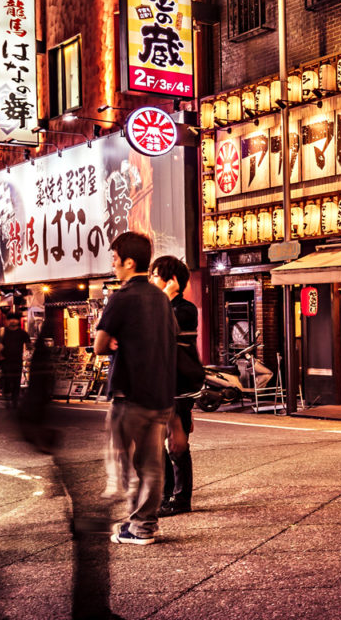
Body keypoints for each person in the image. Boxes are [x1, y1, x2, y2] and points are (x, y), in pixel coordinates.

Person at [94, 232, 178, 545]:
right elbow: (170, 338)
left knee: (123, 460)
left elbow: (100, 345)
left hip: (129, 395)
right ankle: (144, 526)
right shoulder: (161, 298)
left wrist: (113, 340)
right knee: (152, 464)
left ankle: (130, 512)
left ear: (129, 262)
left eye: (115, 259)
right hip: (159, 395)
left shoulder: (121, 297)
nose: (113, 265)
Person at [150, 255, 204, 516]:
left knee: (177, 444)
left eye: (156, 275)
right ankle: (164, 495)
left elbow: (163, 330)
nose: (152, 280)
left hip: (179, 385)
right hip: (158, 384)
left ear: (172, 281)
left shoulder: (185, 309)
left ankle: (181, 499)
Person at [0, 316, 28, 409]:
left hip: (18, 360)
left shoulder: (22, 333)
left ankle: (14, 400)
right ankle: (7, 395)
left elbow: (28, 344)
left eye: (15, 319)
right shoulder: (1, 332)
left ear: (18, 320)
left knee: (16, 381)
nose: (13, 321)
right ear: (7, 321)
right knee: (7, 379)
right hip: (5, 360)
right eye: (10, 319)